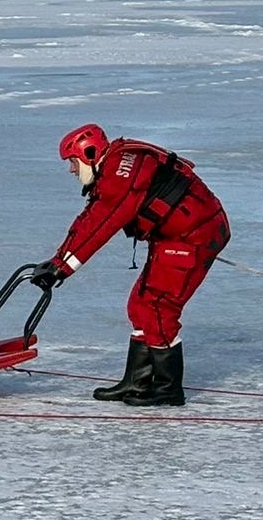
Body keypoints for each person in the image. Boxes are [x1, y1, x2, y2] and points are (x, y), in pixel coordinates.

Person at [33, 124, 231, 406]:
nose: (72, 170)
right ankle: (137, 382)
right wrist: (58, 259)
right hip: (174, 235)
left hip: (194, 236)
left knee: (158, 307)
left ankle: (168, 388)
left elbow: (102, 223)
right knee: (140, 305)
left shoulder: (120, 174)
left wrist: (62, 268)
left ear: (89, 154)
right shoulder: (117, 166)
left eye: (73, 162)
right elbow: (90, 218)